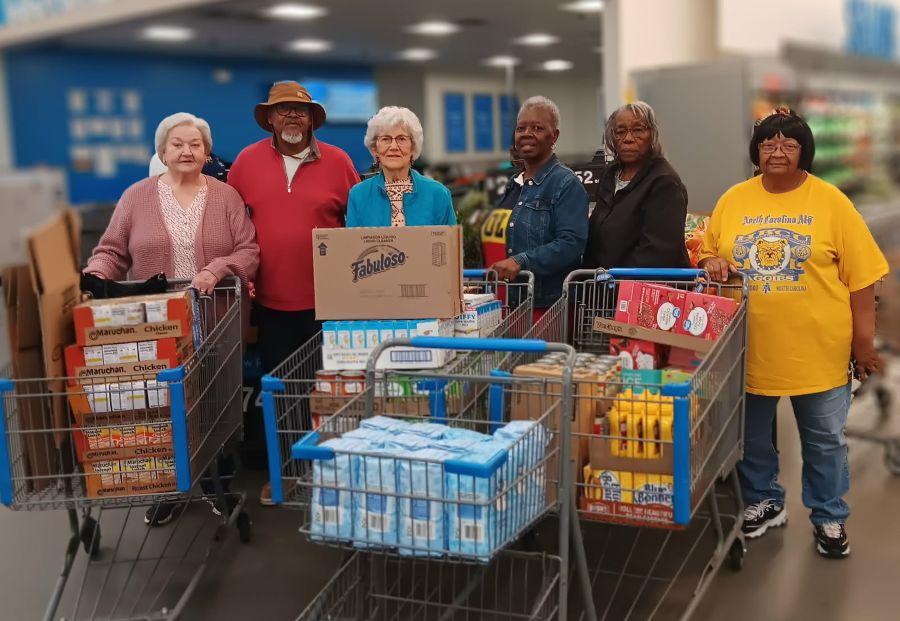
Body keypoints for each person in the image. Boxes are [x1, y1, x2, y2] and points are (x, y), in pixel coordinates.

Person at [698, 108, 888, 559]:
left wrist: (864, 342)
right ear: (756, 151)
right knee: (753, 437)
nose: (777, 151)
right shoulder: (733, 200)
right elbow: (708, 251)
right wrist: (711, 262)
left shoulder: (831, 201)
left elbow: (862, 277)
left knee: (824, 441)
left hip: (819, 351)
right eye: (768, 143)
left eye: (788, 144)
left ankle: (829, 516)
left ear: (805, 152)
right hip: (748, 349)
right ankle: (765, 501)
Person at [86, 112, 259, 526]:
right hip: (155, 327)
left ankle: (217, 484)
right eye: (177, 144)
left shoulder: (225, 196)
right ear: (162, 151)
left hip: (215, 322)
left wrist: (216, 269)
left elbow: (248, 251)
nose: (187, 151)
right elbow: (111, 251)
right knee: (163, 407)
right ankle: (170, 491)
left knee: (215, 405)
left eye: (196, 144)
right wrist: (94, 277)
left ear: (207, 151)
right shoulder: (136, 197)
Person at [228, 80, 359, 505]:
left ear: (312, 119)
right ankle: (285, 472)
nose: (291, 118)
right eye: (282, 110)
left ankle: (335, 471)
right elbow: (234, 229)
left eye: (299, 111)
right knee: (283, 391)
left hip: (332, 302)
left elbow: (358, 228)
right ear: (269, 118)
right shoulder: (245, 163)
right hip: (273, 302)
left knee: (334, 390)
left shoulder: (339, 162)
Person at [490, 96, 589, 318]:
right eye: (520, 128)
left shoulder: (566, 184)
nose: (526, 133)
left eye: (537, 128)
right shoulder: (513, 185)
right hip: (508, 304)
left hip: (547, 309)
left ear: (554, 136)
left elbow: (571, 244)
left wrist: (521, 261)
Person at [583, 101, 690, 269]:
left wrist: (614, 285)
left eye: (638, 130)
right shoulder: (609, 175)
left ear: (652, 135)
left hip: (639, 288)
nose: (628, 139)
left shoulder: (664, 182)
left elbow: (657, 253)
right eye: (620, 131)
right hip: (603, 287)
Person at [346, 106, 455, 227]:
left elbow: (451, 245)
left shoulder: (438, 194)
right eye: (385, 139)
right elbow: (353, 245)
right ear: (375, 148)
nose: (393, 147)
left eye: (401, 139)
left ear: (413, 147)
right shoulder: (358, 195)